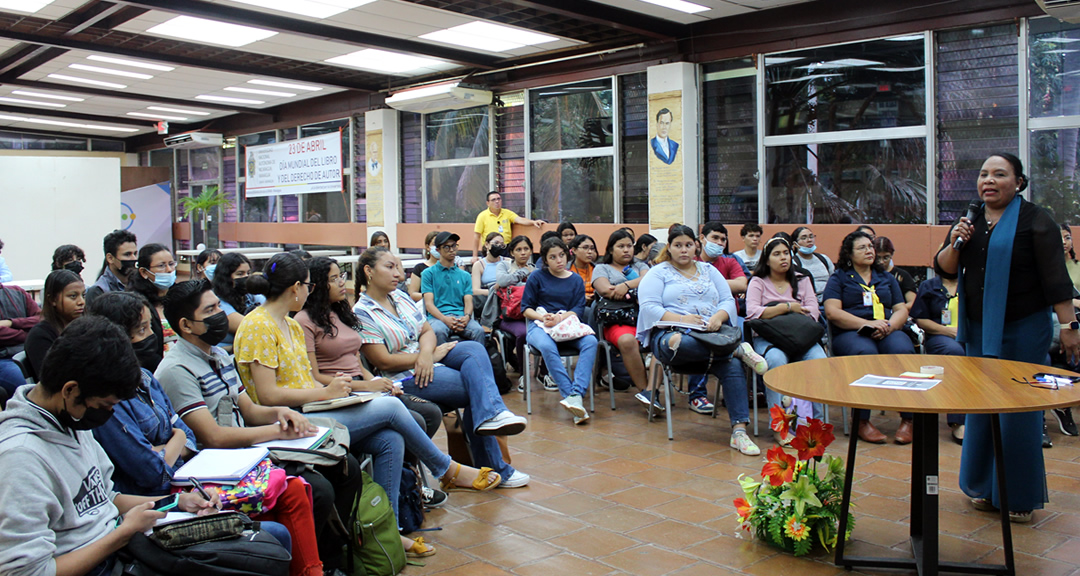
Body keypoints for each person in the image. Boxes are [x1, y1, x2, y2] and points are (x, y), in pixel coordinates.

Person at [234, 252, 503, 556]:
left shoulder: (289, 325)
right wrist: (327, 393)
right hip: (287, 421)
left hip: (314, 409)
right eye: (309, 285)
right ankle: (446, 469)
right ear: (296, 287)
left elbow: (305, 381)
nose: (311, 292)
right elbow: (268, 395)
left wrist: (341, 393)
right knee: (390, 408)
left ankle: (386, 529)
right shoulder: (260, 326)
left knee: (389, 438)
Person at [157, 280, 353, 575]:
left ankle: (334, 559)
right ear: (186, 324)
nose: (220, 315)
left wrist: (280, 413)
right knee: (320, 488)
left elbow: (247, 408)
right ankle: (310, 566)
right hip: (217, 465)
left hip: (246, 450)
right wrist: (276, 431)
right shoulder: (176, 370)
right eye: (210, 310)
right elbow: (212, 437)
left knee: (344, 464)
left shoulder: (218, 355)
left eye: (218, 307)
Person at [0, 316, 221, 576]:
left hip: (119, 547)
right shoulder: (21, 458)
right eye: (105, 405)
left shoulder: (68, 419)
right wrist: (123, 534)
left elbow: (106, 499)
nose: (110, 413)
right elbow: (28, 572)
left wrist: (175, 502)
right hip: (105, 562)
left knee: (256, 544)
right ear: (70, 390)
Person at [936, 152, 1079, 523]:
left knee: (1017, 413)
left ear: (1018, 182)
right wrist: (956, 241)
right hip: (980, 330)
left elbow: (1056, 280)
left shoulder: (1036, 220)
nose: (989, 180)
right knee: (981, 409)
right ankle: (984, 487)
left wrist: (1068, 327)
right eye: (983, 174)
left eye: (999, 174)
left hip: (1023, 330)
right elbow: (945, 267)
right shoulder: (970, 221)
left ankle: (1018, 494)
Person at [354, 248, 530, 488]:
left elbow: (426, 330)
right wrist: (422, 359)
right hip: (403, 377)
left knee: (473, 349)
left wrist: (426, 355)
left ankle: (492, 421)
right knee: (476, 391)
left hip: (428, 360)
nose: (398, 274)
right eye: (390, 267)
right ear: (368, 271)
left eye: (398, 267)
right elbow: (382, 361)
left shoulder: (401, 297)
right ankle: (496, 465)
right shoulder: (362, 312)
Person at [296, 258, 446, 476]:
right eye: (334, 278)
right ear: (317, 285)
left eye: (342, 276)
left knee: (429, 413)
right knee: (416, 419)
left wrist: (375, 382)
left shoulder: (341, 312)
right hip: (339, 393)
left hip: (363, 386)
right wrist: (366, 386)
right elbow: (315, 375)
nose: (341, 283)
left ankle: (408, 481)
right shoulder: (304, 320)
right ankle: (427, 473)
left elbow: (356, 360)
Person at [636, 225, 763, 455]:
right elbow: (649, 308)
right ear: (670, 247)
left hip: (711, 333)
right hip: (671, 333)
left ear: (696, 245)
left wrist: (718, 317)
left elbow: (727, 299)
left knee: (732, 366)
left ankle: (739, 432)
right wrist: (684, 319)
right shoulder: (658, 272)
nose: (684, 250)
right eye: (678, 245)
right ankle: (736, 350)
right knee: (680, 342)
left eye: (688, 245)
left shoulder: (708, 270)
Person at [83, 292, 198, 495]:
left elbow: (189, 436)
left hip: (183, 484)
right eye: (141, 329)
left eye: (150, 326)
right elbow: (150, 473)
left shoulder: (145, 377)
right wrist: (176, 438)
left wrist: (164, 449)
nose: (152, 336)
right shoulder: (109, 398)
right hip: (150, 502)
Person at [824, 230, 915, 444]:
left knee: (903, 350)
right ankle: (862, 420)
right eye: (862, 247)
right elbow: (832, 312)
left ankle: (909, 419)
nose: (869, 251)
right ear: (849, 253)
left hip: (886, 329)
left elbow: (901, 308)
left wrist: (890, 325)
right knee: (866, 353)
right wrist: (865, 323)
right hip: (851, 331)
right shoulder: (840, 278)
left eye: (871, 247)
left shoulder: (885, 277)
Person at [746, 236, 827, 442]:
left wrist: (772, 311)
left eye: (786, 253)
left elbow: (813, 312)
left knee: (818, 360)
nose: (783, 258)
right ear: (766, 259)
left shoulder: (802, 279)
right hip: (770, 337)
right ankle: (780, 427)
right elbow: (753, 313)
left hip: (802, 337)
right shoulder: (757, 282)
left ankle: (814, 425)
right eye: (777, 254)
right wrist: (788, 307)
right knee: (775, 361)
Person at [521, 238, 598, 425]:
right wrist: (544, 318)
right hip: (539, 326)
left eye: (561, 255)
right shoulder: (537, 277)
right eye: (553, 257)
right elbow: (526, 308)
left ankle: (576, 394)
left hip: (566, 326)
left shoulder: (575, 280)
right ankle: (571, 395)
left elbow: (578, 309)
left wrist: (559, 318)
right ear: (545, 260)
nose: (559, 260)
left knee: (591, 342)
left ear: (567, 254)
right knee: (547, 346)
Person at [909, 269, 967, 444]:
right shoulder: (929, 286)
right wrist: (947, 331)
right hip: (941, 336)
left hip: (969, 335)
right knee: (956, 353)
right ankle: (958, 421)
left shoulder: (971, 283)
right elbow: (921, 319)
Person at [592, 229, 650, 397]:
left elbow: (649, 281)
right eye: (621, 246)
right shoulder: (602, 268)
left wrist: (624, 287)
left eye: (629, 246)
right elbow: (605, 290)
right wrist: (636, 291)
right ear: (610, 249)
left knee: (665, 340)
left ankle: (653, 388)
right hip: (617, 320)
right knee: (627, 341)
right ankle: (646, 391)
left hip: (644, 319)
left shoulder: (640, 265)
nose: (626, 250)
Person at [422, 231, 485, 344]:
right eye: (446, 247)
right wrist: (444, 319)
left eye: (454, 246)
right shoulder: (428, 273)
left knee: (478, 331)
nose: (451, 250)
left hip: (460, 317)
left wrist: (467, 317)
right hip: (438, 318)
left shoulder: (464, 275)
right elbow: (429, 304)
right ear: (438, 250)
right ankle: (441, 361)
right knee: (438, 331)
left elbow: (468, 301)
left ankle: (476, 361)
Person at [126, 243, 179, 371]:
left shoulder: (179, 296)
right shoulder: (137, 305)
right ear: (144, 272)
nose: (169, 270)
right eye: (161, 266)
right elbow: (145, 353)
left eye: (171, 264)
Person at [25, 270, 84, 378]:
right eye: (73, 296)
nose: (81, 302)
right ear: (52, 299)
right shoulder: (40, 335)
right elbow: (51, 379)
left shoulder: (85, 327)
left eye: (83, 295)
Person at [494, 235, 534, 375]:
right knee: (523, 333)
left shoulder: (535, 270)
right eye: (518, 249)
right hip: (508, 316)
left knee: (546, 332)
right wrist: (524, 273)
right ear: (512, 252)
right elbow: (503, 280)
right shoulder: (504, 265)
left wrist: (516, 283)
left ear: (530, 251)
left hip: (531, 316)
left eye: (526, 249)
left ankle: (543, 373)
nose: (523, 252)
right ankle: (524, 374)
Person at [471, 190, 545, 264]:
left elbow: (520, 220)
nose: (497, 201)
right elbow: (477, 236)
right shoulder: (482, 216)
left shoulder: (507, 213)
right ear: (488, 203)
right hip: (491, 248)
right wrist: (475, 256)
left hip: (505, 248)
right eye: (493, 200)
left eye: (498, 199)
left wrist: (533, 222)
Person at [211, 252, 266, 350]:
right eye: (240, 274)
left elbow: (271, 307)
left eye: (248, 273)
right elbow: (251, 327)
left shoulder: (249, 295)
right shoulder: (217, 302)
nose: (246, 277)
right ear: (226, 277)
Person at [0, 277, 40, 397]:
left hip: (30, 351)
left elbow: (41, 319)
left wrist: (11, 323)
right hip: (4, 358)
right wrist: (30, 333)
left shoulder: (18, 292)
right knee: (24, 385)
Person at [86, 229, 137, 304]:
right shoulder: (99, 291)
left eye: (135, 254)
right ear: (110, 258)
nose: (134, 258)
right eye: (127, 254)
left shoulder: (141, 284)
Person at [698, 222, 749, 295]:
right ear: (702, 238)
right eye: (715, 238)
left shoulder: (730, 262)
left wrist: (701, 284)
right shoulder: (692, 262)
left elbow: (742, 285)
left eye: (723, 239)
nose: (719, 242)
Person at [791, 226, 835, 303]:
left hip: (830, 299)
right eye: (804, 238)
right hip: (808, 301)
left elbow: (834, 279)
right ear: (795, 244)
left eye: (811, 236)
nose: (809, 240)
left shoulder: (824, 259)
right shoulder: (794, 262)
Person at [872, 236, 917, 311]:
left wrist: (897, 311)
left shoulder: (902, 275)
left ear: (892, 255)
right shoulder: (867, 274)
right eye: (878, 258)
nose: (881, 262)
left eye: (886, 257)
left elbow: (912, 302)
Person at [471, 232, 505, 300]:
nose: (498, 246)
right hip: (489, 299)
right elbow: (475, 290)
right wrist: (495, 292)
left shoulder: (507, 261)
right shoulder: (479, 265)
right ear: (487, 244)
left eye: (502, 245)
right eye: (496, 243)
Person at [409, 230, 441, 303]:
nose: (437, 248)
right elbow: (413, 294)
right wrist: (431, 297)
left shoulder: (448, 267)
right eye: (434, 244)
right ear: (427, 247)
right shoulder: (419, 268)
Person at [568, 234, 597, 305]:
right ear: (574, 250)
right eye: (585, 247)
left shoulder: (597, 269)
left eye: (592, 248)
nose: (590, 252)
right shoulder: (566, 269)